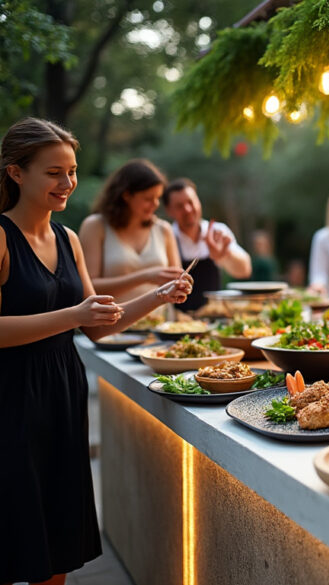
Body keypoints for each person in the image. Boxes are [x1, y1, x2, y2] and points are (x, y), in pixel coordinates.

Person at [0, 118, 192, 585]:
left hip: (63, 393)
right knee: (12, 531)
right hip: (11, 398)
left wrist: (159, 296)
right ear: (16, 173)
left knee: (56, 541)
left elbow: (98, 327)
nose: (67, 183)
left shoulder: (68, 240)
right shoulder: (1, 237)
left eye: (72, 171)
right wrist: (72, 315)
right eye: (54, 173)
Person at [79, 159, 182, 304]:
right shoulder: (95, 226)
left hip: (161, 317)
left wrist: (181, 284)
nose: (155, 204)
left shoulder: (163, 229)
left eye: (158, 198)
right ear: (126, 195)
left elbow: (176, 281)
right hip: (114, 317)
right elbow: (88, 287)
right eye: (148, 198)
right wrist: (145, 276)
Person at [163, 178, 252, 312]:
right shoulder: (166, 237)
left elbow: (245, 270)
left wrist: (225, 255)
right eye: (179, 206)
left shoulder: (218, 231)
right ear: (169, 211)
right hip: (178, 319)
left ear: (198, 201)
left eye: (191, 202)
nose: (188, 209)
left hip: (214, 315)